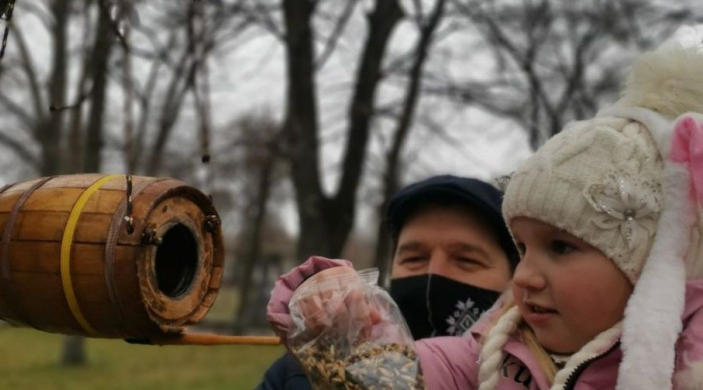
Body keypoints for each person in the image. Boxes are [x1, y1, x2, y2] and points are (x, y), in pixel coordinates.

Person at [266, 26, 703, 389]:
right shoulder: (493, 353)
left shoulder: (688, 368)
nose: (525, 276)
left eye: (561, 247)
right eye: (525, 248)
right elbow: (404, 374)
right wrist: (341, 323)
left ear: (649, 265)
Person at [256, 175, 519, 389]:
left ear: (514, 276)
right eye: (415, 258)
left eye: (466, 260)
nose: (433, 274)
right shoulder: (302, 375)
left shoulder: (540, 376)